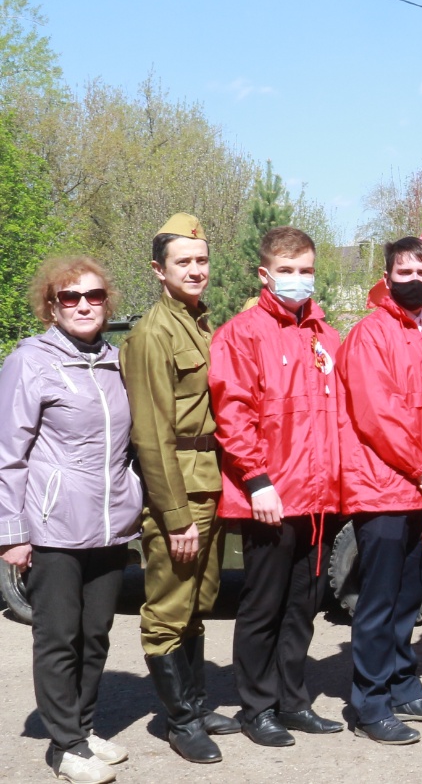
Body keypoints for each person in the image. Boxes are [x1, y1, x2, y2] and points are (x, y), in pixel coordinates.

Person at [0, 257, 143, 784]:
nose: (83, 305)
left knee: (97, 633)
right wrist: (10, 534)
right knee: (59, 636)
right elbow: (6, 454)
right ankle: (63, 747)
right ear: (51, 305)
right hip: (53, 524)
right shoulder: (29, 362)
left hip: (109, 525)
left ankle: (83, 730)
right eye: (69, 296)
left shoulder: (113, 360)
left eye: (94, 295)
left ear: (108, 302)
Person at [208, 227, 345, 748]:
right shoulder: (241, 334)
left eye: (305, 270)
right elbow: (234, 414)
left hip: (319, 498)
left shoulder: (325, 337)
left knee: (302, 606)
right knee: (263, 607)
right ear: (264, 274)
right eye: (286, 271)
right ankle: (257, 707)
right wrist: (258, 479)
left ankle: (293, 700)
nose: (297, 279)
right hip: (268, 496)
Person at [122, 213, 240, 764]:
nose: (196, 270)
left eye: (201, 260)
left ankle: (194, 700)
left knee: (198, 601)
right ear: (158, 270)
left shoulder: (197, 322)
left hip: (208, 480)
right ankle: (180, 720)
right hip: (180, 491)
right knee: (168, 606)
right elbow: (151, 435)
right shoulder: (153, 333)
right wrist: (173, 515)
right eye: (183, 262)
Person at [338, 236, 422, 745]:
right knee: (378, 600)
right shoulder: (370, 334)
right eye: (404, 272)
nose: (414, 279)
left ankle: (404, 686)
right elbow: (376, 415)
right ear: (386, 278)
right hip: (383, 487)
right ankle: (369, 703)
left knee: (411, 596)